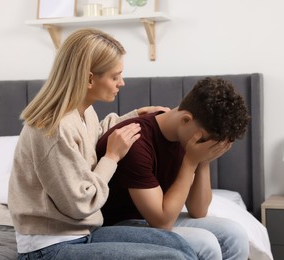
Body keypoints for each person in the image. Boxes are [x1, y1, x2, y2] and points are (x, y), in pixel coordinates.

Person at [8, 28, 198, 260]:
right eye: (115, 76)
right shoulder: (53, 127)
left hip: (84, 232)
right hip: (49, 246)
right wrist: (111, 158)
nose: (122, 83)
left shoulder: (83, 112)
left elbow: (93, 135)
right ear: (89, 79)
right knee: (171, 258)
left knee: (176, 244)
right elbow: (80, 204)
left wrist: (135, 116)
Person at [96, 76, 251, 260]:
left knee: (235, 234)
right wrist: (190, 162)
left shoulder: (186, 137)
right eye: (204, 141)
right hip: (119, 225)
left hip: (151, 220)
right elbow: (162, 222)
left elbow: (198, 211)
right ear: (186, 120)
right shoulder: (136, 142)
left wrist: (204, 160)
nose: (204, 147)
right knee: (205, 242)